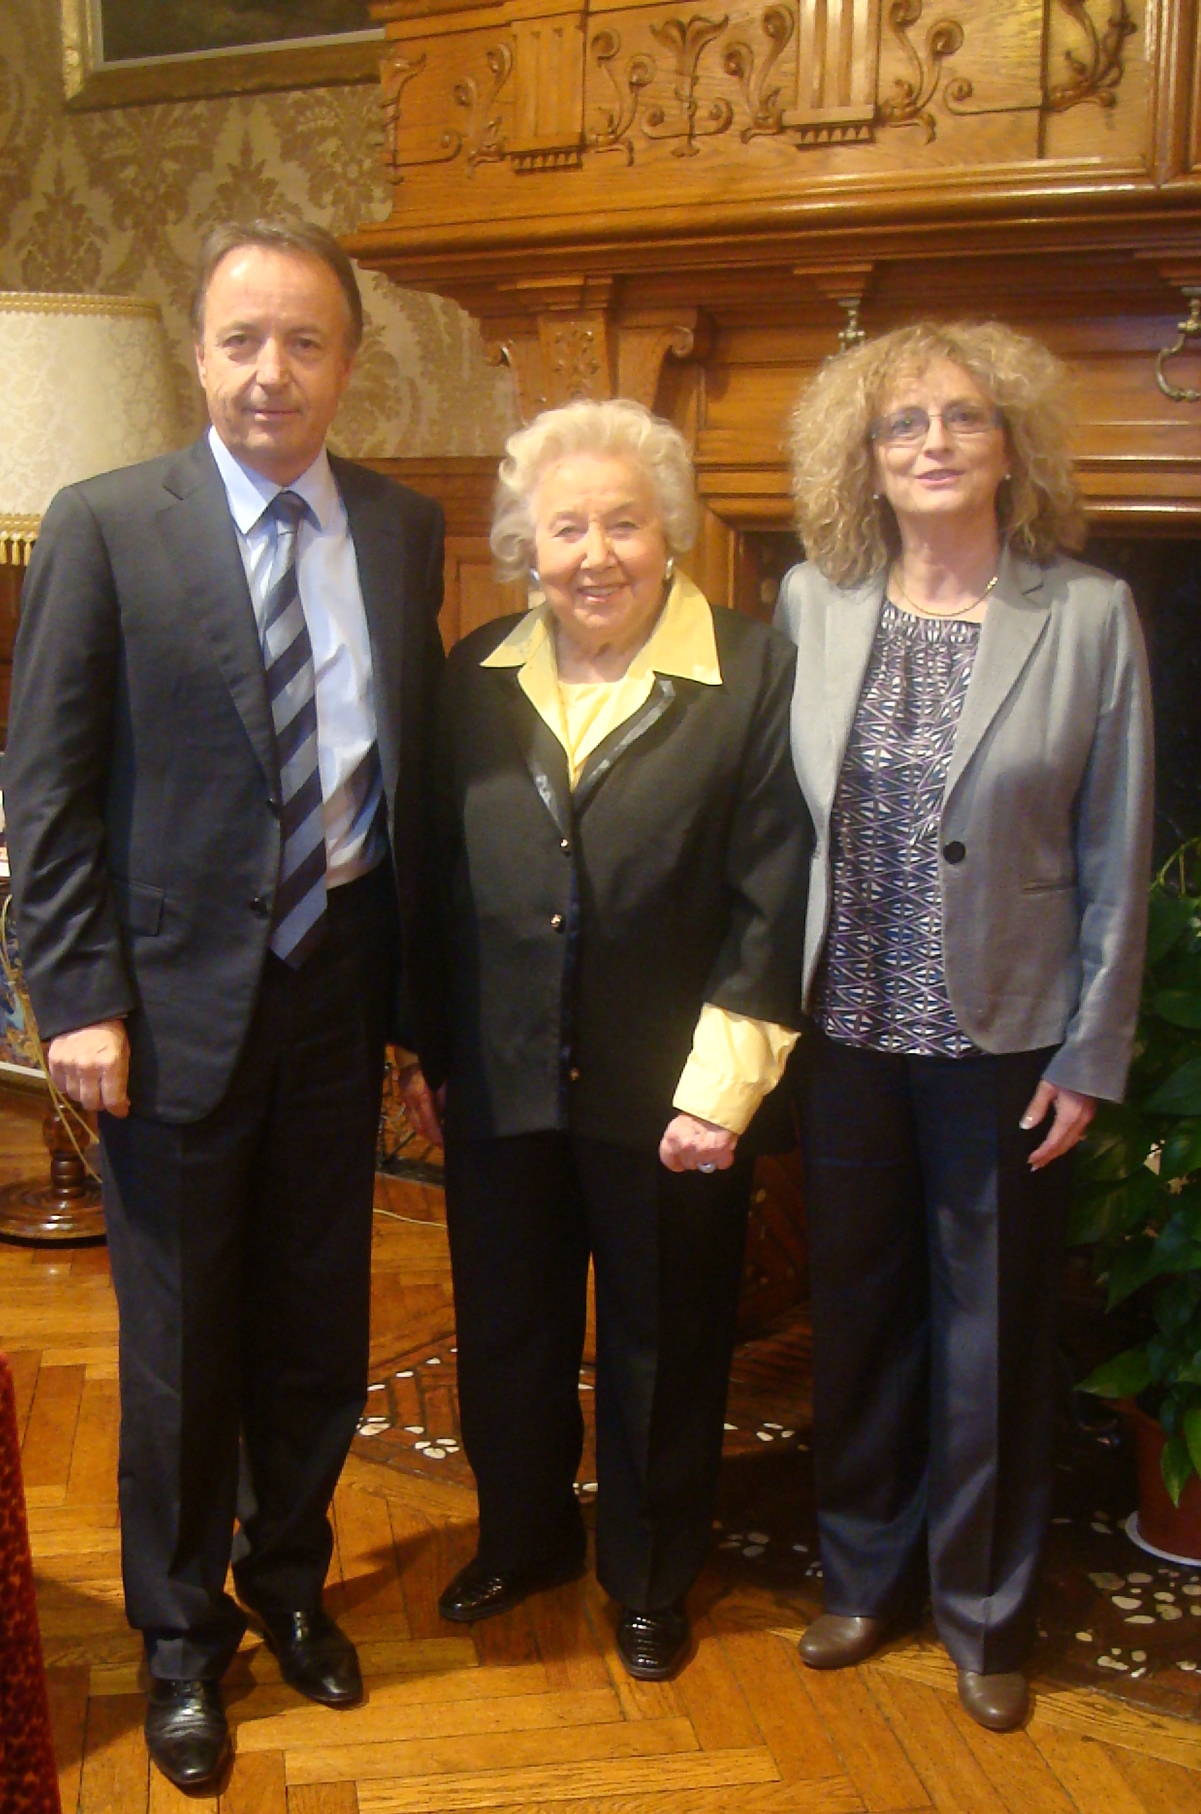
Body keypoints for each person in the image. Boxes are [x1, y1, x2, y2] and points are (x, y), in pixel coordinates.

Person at [4, 221, 445, 1788]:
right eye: (243, 339)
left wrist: (414, 1010)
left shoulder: (402, 528)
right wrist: (74, 995)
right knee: (185, 1353)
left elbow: (405, 786)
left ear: (346, 360)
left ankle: (290, 1583)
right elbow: (47, 790)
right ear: (198, 355)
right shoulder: (108, 523)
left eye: (305, 341)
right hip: (165, 1013)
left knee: (319, 1328)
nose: (273, 370)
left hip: (336, 997)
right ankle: (182, 1643)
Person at [776, 320, 1153, 1730]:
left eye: (962, 418)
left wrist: (1091, 1051)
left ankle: (987, 1612)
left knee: (992, 1333)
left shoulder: (1090, 613)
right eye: (900, 425)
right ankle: (862, 1574)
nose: (932, 442)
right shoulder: (816, 601)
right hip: (849, 1032)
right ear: (864, 464)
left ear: (1010, 445)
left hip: (1007, 1039)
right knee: (859, 1313)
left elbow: (1118, 848)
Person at [406, 398, 809, 1681]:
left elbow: (775, 889)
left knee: (662, 1337)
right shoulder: (472, 671)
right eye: (564, 525)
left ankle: (648, 1569)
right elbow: (430, 874)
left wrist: (726, 1090)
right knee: (508, 1326)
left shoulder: (751, 671)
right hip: (501, 1072)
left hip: (673, 1091)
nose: (593, 553)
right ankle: (523, 1535)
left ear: (671, 533)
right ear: (527, 540)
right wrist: (430, 1053)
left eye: (622, 522)